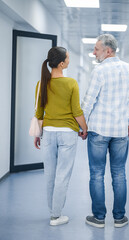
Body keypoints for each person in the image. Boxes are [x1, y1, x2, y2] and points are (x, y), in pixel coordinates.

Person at [81, 34, 129, 228]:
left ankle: (98, 218)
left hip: (98, 130)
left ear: (108, 50)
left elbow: (89, 101)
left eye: (96, 49)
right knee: (119, 174)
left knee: (97, 174)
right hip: (120, 131)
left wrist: (82, 126)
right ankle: (119, 218)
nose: (94, 52)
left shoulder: (99, 71)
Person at [34, 47, 87, 226]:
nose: (69, 61)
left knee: (50, 174)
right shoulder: (71, 83)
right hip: (67, 135)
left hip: (48, 133)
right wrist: (85, 128)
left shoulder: (41, 83)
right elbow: (76, 111)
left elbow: (39, 112)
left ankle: (53, 213)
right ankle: (56, 216)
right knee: (62, 175)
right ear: (62, 63)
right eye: (68, 58)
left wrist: (38, 134)